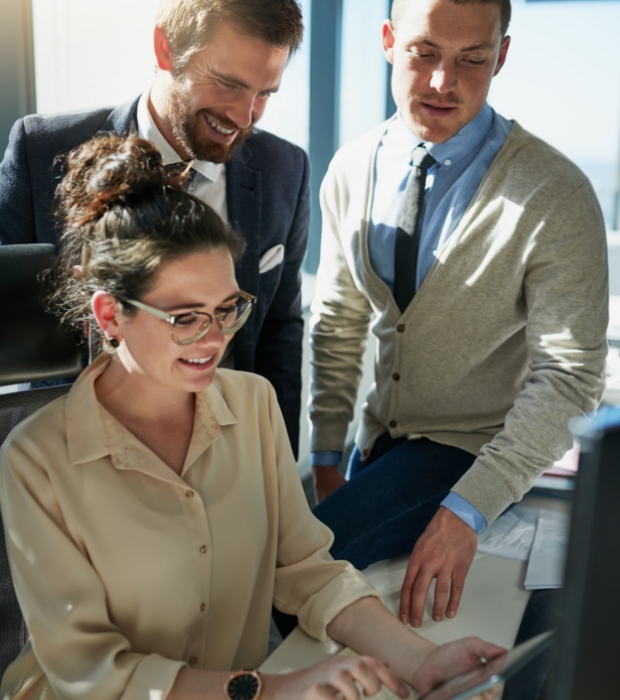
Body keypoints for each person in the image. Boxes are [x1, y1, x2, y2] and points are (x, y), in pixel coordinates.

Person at [0, 135, 504, 700]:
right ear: (111, 314)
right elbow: (91, 671)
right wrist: (273, 688)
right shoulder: (35, 459)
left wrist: (424, 662)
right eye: (185, 317)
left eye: (226, 309)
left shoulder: (253, 404)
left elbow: (307, 571)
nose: (214, 339)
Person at [309, 0, 608, 630]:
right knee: (329, 602)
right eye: (424, 53)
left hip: (473, 452)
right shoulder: (350, 167)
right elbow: (339, 320)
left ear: (502, 57)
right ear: (389, 41)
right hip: (373, 446)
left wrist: (466, 510)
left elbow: (569, 378)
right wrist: (326, 456)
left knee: (300, 584)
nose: (444, 82)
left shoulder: (555, 192)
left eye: (472, 59)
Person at [0, 0, 309, 456]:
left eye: (265, 94)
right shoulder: (41, 152)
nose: (244, 116)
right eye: (228, 84)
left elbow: (279, 331)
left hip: (227, 455)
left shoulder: (285, 170)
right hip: (73, 458)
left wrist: (276, 462)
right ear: (166, 48)